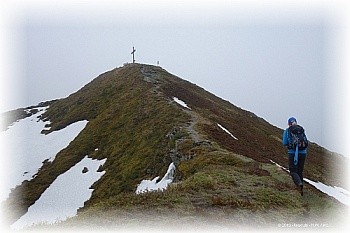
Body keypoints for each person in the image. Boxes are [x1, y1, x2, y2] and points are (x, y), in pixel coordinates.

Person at [282, 117, 307, 196]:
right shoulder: (301, 130)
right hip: (303, 153)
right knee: (299, 171)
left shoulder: (287, 131)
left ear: (289, 123)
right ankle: (301, 191)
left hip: (293, 153)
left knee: (293, 171)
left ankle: (299, 184)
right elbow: (305, 141)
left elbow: (284, 142)